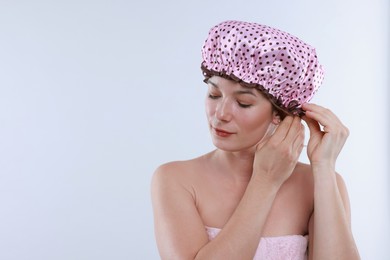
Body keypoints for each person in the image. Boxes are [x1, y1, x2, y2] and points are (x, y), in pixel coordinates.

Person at [151, 20, 360, 260]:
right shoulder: (175, 179)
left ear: (279, 113)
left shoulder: (319, 184)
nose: (220, 114)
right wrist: (265, 181)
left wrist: (323, 167)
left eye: (243, 103)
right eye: (214, 94)